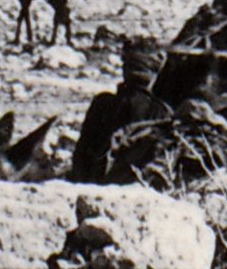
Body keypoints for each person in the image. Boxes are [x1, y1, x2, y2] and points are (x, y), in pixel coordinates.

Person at [69, 37, 171, 183]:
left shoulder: (102, 103)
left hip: (92, 181)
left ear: (125, 70)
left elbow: (81, 155)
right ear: (154, 74)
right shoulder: (161, 111)